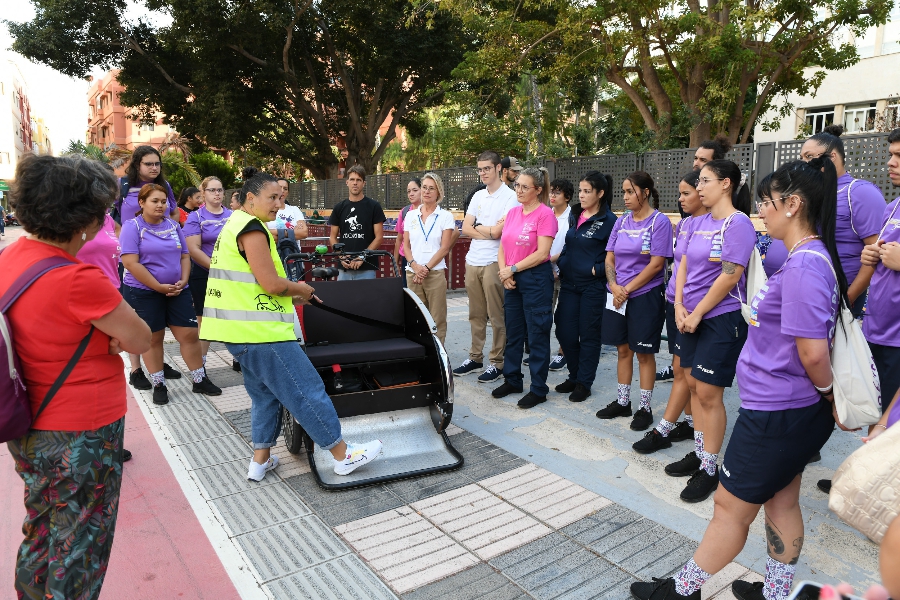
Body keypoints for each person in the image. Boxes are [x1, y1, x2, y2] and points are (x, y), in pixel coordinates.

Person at [631, 157, 851, 600]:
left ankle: (681, 590)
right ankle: (775, 593)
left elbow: (812, 352)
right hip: (787, 409)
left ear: (792, 204)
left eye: (768, 202)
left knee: (729, 508)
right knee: (782, 500)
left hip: (778, 411)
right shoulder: (803, 256)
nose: (761, 211)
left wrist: (830, 395)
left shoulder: (806, 264)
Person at [2, 154, 151, 600]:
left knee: (43, 527)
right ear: (83, 220)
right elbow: (140, 338)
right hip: (81, 429)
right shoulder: (78, 279)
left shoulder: (12, 258)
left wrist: (99, 337)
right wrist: (108, 340)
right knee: (81, 541)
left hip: (27, 419)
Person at [199, 169, 383, 481]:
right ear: (250, 198)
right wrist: (301, 289)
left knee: (265, 395)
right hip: (262, 333)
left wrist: (295, 296)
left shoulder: (233, 223)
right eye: (272, 198)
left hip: (238, 333)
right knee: (306, 389)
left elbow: (251, 284)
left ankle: (260, 461)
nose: (278, 204)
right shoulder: (252, 228)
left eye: (281, 198)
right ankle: (342, 454)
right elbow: (271, 283)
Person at [670, 160, 755, 503]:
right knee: (691, 384)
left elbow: (731, 275)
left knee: (707, 392)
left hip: (720, 317)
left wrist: (698, 312)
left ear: (726, 184)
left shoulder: (739, 224)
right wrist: (678, 305)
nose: (699, 186)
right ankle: (702, 454)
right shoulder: (696, 222)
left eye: (706, 181)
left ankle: (710, 468)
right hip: (688, 314)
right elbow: (684, 265)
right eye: (699, 181)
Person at [120, 184, 222, 405]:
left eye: (163, 201)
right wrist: (158, 286)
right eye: (154, 201)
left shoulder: (174, 225)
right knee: (154, 338)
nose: (160, 205)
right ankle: (159, 384)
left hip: (178, 290)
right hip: (144, 292)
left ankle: (199, 379)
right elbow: (130, 262)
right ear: (142, 203)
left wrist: (184, 280)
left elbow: (185, 256)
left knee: (189, 334)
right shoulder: (133, 227)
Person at [633, 170, 706, 455]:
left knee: (690, 375)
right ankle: (687, 423)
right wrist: (675, 302)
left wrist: (687, 307)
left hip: (695, 310)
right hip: (675, 303)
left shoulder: (724, 225)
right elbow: (680, 268)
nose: (680, 199)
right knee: (680, 369)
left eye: (686, 193)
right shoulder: (685, 225)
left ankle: (668, 430)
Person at [596, 171, 673, 431]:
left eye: (631, 192)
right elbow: (609, 259)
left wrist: (625, 290)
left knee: (644, 353)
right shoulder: (622, 221)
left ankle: (644, 407)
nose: (626, 197)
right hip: (617, 294)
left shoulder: (659, 222)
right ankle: (622, 401)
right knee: (622, 349)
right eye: (624, 192)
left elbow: (656, 265)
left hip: (644, 296)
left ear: (646, 192)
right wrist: (615, 286)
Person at [490, 167, 558, 408]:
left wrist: (513, 269)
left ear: (538, 190)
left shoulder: (545, 215)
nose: (518, 190)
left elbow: (542, 253)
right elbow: (502, 246)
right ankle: (512, 379)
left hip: (535, 279)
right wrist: (504, 272)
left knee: (537, 334)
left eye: (524, 187)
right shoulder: (512, 213)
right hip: (511, 277)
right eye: (517, 185)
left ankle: (538, 388)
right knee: (514, 332)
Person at [800, 125, 885, 317]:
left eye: (809, 156)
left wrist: (847, 298)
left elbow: (875, 253)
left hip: (842, 295)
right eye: (802, 158)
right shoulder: (812, 194)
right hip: (810, 290)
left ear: (832, 158)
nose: (804, 164)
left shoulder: (860, 193)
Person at [119, 146, 181, 391]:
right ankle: (135, 369)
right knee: (136, 317)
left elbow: (174, 213)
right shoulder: (122, 187)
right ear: (137, 165)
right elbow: (108, 216)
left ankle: (158, 363)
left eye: (157, 164)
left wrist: (164, 234)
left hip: (159, 257)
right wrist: (124, 237)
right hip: (130, 256)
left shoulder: (165, 187)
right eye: (148, 164)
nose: (154, 168)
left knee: (158, 317)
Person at [454, 151, 520, 382]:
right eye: (480, 169)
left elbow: (498, 233)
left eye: (486, 169)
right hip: (473, 261)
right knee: (476, 314)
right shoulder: (478, 196)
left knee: (496, 315)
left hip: (495, 261)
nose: (482, 173)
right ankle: (475, 357)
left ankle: (497, 362)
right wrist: (487, 229)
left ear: (498, 169)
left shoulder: (510, 197)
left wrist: (481, 228)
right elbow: (465, 228)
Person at [553, 171, 616, 402]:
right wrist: (563, 262)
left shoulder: (610, 221)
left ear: (600, 193)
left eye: (587, 191)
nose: (582, 195)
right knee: (564, 330)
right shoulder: (576, 214)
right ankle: (575, 374)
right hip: (569, 284)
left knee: (588, 335)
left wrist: (596, 270)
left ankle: (583, 382)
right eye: (580, 191)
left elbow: (615, 256)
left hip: (592, 287)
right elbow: (570, 242)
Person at [861, 128, 900, 416]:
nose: (890, 162)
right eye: (891, 155)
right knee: (879, 415)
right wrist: (871, 254)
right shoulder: (893, 207)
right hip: (878, 329)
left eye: (899, 156)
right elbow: (880, 257)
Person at [402, 173, 456, 345]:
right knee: (417, 318)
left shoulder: (445, 216)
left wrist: (425, 269)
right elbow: (406, 246)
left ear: (438, 192)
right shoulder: (410, 215)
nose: (426, 191)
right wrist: (415, 266)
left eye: (431, 188)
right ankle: (421, 355)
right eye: (424, 187)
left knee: (437, 318)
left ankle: (439, 358)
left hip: (434, 273)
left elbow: (445, 248)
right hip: (413, 274)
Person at [184, 176, 232, 367]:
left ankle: (239, 359)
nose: (217, 194)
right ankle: (200, 367)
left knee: (233, 317)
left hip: (231, 274)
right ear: (203, 193)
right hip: (204, 273)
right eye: (212, 190)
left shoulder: (232, 215)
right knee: (206, 322)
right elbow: (193, 249)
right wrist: (216, 266)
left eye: (220, 190)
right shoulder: (196, 217)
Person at [328, 165, 386, 280]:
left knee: (366, 298)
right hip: (344, 267)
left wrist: (362, 256)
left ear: (364, 183)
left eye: (358, 180)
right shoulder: (339, 207)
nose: (355, 183)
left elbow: (379, 237)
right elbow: (332, 237)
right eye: (352, 179)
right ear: (347, 182)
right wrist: (341, 256)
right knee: (343, 298)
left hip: (367, 267)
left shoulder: (374, 206)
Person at [545, 178, 573, 372]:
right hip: (545, 270)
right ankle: (542, 353)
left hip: (564, 272)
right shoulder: (546, 214)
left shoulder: (573, 217)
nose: (552, 196)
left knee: (563, 317)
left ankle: (563, 353)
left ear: (567, 196)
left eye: (557, 192)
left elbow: (569, 246)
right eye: (551, 192)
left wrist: (550, 261)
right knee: (544, 315)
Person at [394, 178, 422, 279]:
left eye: (415, 190)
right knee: (407, 291)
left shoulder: (430, 211)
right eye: (409, 191)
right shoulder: (404, 211)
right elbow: (399, 238)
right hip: (406, 258)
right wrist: (395, 262)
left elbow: (455, 233)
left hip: (423, 258)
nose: (411, 194)